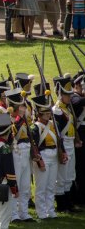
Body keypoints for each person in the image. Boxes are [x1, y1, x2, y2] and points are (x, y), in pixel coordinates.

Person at [31, 90, 64, 219]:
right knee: (41, 187)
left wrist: (63, 153)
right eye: (46, 113)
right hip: (43, 156)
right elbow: (34, 147)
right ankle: (41, 212)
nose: (49, 115)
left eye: (49, 112)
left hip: (54, 155)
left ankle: (51, 210)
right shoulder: (35, 128)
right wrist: (39, 161)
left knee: (51, 186)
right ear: (39, 114)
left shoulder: (54, 125)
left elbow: (59, 140)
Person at [52, 75, 82, 212]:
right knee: (61, 177)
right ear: (60, 95)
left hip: (70, 142)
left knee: (70, 175)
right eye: (66, 95)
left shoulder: (66, 108)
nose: (69, 97)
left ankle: (69, 203)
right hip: (63, 144)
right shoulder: (57, 111)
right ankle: (62, 205)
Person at [5, 88, 34, 222]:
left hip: (26, 149)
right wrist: (20, 119)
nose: (22, 107)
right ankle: (13, 214)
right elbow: (9, 137)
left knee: (25, 185)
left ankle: (24, 213)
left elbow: (29, 134)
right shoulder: (5, 116)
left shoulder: (22, 117)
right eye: (19, 105)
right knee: (14, 184)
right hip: (15, 152)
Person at [71, 72, 85, 206]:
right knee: (79, 168)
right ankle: (79, 198)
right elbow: (79, 101)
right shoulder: (74, 97)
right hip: (79, 136)